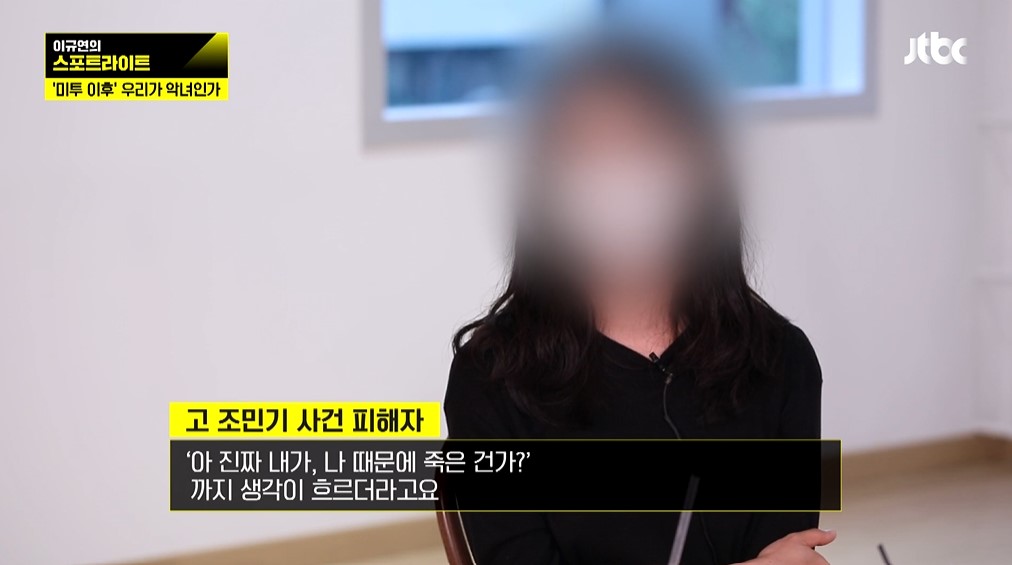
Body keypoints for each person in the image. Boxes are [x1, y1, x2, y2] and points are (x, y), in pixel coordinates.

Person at [444, 39, 832, 565]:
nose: (619, 175)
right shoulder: (489, 379)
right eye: (584, 151)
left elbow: (787, 554)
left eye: (647, 144)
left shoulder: (782, 359)